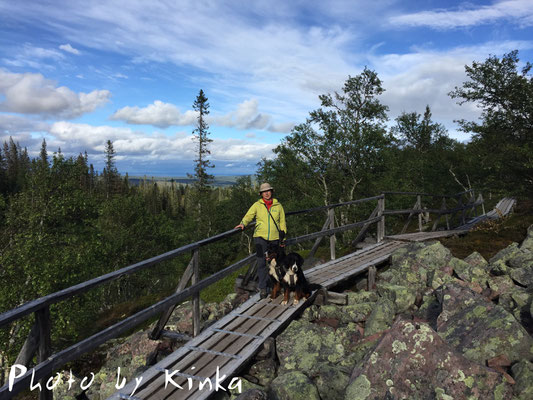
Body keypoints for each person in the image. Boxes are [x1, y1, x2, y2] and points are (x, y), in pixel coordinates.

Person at [235, 183, 287, 299]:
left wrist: (283, 238)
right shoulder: (257, 205)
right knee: (261, 262)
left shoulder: (278, 206)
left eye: (268, 191)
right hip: (259, 238)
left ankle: (278, 286)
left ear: (272, 192)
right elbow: (249, 216)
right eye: (264, 191)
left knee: (277, 264)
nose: (267, 193)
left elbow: (282, 222)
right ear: (261, 194)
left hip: (274, 239)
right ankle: (263, 288)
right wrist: (243, 223)